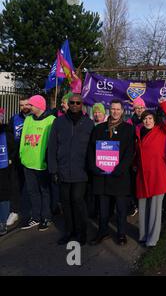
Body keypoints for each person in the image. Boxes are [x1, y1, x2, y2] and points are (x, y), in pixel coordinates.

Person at [48, 94, 94, 245]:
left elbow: (93, 149)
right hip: (62, 170)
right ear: (68, 104)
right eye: (72, 102)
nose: (74, 105)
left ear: (82, 105)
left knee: (77, 200)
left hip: (81, 171)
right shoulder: (58, 122)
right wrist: (53, 169)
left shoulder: (88, 123)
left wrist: (91, 169)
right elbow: (52, 146)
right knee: (66, 202)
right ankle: (69, 231)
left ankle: (82, 232)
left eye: (77, 103)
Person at [88, 99, 134, 246]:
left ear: (122, 111)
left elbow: (130, 152)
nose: (115, 112)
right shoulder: (99, 128)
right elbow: (91, 150)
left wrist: (121, 168)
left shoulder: (128, 129)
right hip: (102, 176)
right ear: (109, 110)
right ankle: (102, 231)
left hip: (119, 176)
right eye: (113, 109)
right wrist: (93, 166)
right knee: (103, 209)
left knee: (121, 209)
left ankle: (121, 234)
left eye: (118, 109)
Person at [135, 97, 166, 247]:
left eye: (150, 118)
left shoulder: (162, 130)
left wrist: (163, 104)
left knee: (156, 209)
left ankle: (153, 238)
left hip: (157, 175)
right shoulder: (139, 131)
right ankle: (144, 235)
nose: (148, 121)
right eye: (145, 119)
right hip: (142, 175)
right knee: (143, 206)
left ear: (154, 120)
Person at [19, 95, 55, 231]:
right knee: (32, 191)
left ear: (39, 106)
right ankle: (35, 217)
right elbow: (23, 138)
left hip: (42, 164)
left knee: (44, 192)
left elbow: (52, 144)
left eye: (31, 105)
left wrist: (49, 161)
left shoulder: (51, 120)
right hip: (28, 163)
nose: (28, 107)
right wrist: (22, 155)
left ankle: (46, 217)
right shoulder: (28, 119)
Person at [7, 96, 31, 227]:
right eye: (22, 105)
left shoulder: (35, 118)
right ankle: (14, 211)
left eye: (27, 104)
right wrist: (10, 156)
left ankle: (32, 212)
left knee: (32, 187)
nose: (24, 107)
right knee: (15, 185)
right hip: (16, 158)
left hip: (32, 158)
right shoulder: (14, 119)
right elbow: (9, 139)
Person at [126, 97, 146, 217]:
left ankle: (142, 204)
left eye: (141, 107)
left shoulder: (148, 120)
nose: (139, 109)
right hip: (133, 155)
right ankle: (134, 205)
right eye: (137, 108)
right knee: (133, 182)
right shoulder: (130, 122)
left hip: (144, 156)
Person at [0, 108, 18, 236]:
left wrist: (11, 158)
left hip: (4, 170)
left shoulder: (6, 133)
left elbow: (14, 149)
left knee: (3, 195)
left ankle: (2, 223)